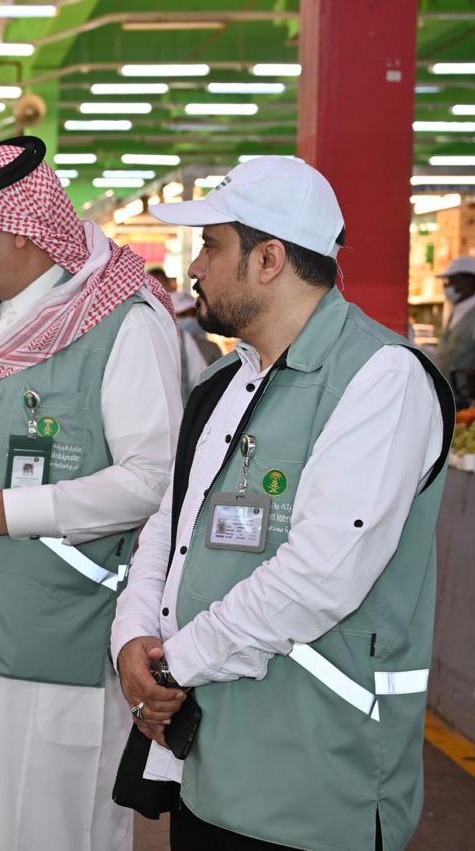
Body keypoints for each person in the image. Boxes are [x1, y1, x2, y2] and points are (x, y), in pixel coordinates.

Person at [111, 156, 453, 850]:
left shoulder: (381, 379)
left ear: (268, 259)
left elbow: (320, 574)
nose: (195, 268)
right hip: (208, 764)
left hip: (316, 780)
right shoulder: (221, 384)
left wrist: (173, 664)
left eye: (211, 246)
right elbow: (170, 528)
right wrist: (132, 637)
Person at [0, 136, 182, 851]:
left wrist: (2, 512)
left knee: (41, 824)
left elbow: (155, 479)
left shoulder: (123, 323)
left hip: (51, 644)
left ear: (22, 230)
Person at [171, 290, 222, 400]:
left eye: (193, 314)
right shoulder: (164, 346)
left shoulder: (212, 348)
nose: (189, 319)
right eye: (183, 315)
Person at [436, 256, 475, 385]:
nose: (447, 286)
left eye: (453, 280)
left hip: (465, 393)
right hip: (449, 390)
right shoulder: (455, 310)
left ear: (470, 281)